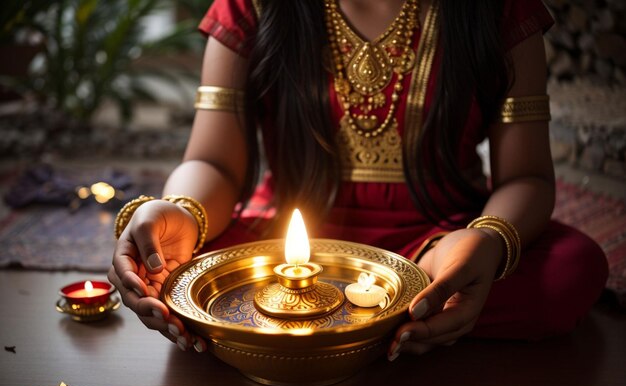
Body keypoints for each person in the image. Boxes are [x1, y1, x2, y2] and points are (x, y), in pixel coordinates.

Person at [108, 0, 608, 359]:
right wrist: (178, 210)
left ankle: (280, 335)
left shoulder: (499, 11)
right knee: (174, 268)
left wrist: (488, 238)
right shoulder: (251, 7)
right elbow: (213, 164)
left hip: (435, 249)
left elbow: (526, 178)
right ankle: (391, 329)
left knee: (572, 272)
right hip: (277, 247)